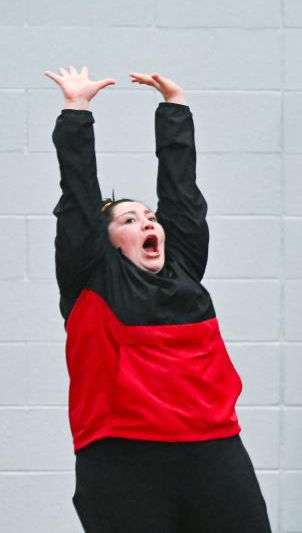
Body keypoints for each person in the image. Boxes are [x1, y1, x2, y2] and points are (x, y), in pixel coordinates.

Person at [47, 66, 271, 532]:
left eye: (149, 217)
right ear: (103, 241)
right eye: (128, 221)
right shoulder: (93, 279)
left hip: (214, 450)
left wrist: (174, 107)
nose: (147, 224)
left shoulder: (183, 267)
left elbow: (182, 195)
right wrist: (76, 110)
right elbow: (78, 196)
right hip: (123, 456)